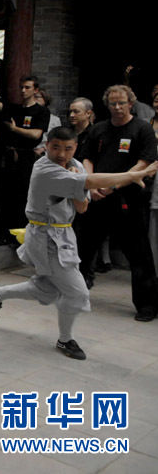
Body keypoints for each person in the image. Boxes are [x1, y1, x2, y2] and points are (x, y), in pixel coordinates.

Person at [0, 127, 157, 359]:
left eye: (68, 148)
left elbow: (82, 207)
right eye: (55, 147)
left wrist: (78, 182)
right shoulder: (44, 168)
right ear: (47, 145)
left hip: (64, 235)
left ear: (75, 147)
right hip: (45, 236)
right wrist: (128, 176)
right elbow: (92, 180)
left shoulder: (74, 164)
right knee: (78, 293)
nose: (61, 154)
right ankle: (65, 340)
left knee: (46, 289)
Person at [78, 85, 158, 321]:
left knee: (139, 254)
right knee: (83, 248)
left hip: (129, 198)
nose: (117, 107)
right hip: (97, 197)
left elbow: (144, 163)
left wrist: (113, 186)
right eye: (112, 103)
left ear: (131, 103)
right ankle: (73, 292)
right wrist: (91, 185)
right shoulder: (99, 129)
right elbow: (87, 157)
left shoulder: (142, 129)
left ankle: (148, 305)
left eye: (121, 103)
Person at [0, 75, 51, 245]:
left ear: (35, 90)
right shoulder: (15, 108)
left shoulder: (41, 111)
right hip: (9, 155)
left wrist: (15, 129)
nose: (23, 90)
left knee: (22, 195)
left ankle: (20, 234)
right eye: (22, 87)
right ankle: (2, 233)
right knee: (4, 194)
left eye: (28, 87)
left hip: (26, 155)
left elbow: (36, 134)